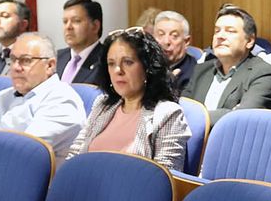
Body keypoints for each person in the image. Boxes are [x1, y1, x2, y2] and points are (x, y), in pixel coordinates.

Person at [0, 33, 86, 157]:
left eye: (25, 60)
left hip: (30, 182)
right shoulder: (8, 95)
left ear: (50, 65)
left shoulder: (62, 101)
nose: (15, 68)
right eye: (13, 59)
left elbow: (22, 149)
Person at [70, 28, 190, 170]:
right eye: (111, 63)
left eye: (127, 62)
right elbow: (74, 156)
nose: (118, 70)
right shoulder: (102, 105)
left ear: (148, 67)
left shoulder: (167, 114)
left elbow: (165, 179)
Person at [186, 4, 271, 126]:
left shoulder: (263, 73)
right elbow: (182, 108)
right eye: (217, 31)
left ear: (250, 41)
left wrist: (195, 117)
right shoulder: (201, 70)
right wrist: (228, 112)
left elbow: (241, 118)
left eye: (230, 31)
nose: (220, 36)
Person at [56, 0, 107, 87]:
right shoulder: (57, 57)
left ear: (95, 26)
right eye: (65, 21)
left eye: (76, 21)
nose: (68, 27)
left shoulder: (105, 60)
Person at [152, 10, 199, 94]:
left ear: (186, 41)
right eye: (161, 34)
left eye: (174, 36)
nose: (166, 42)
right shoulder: (146, 64)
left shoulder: (194, 74)